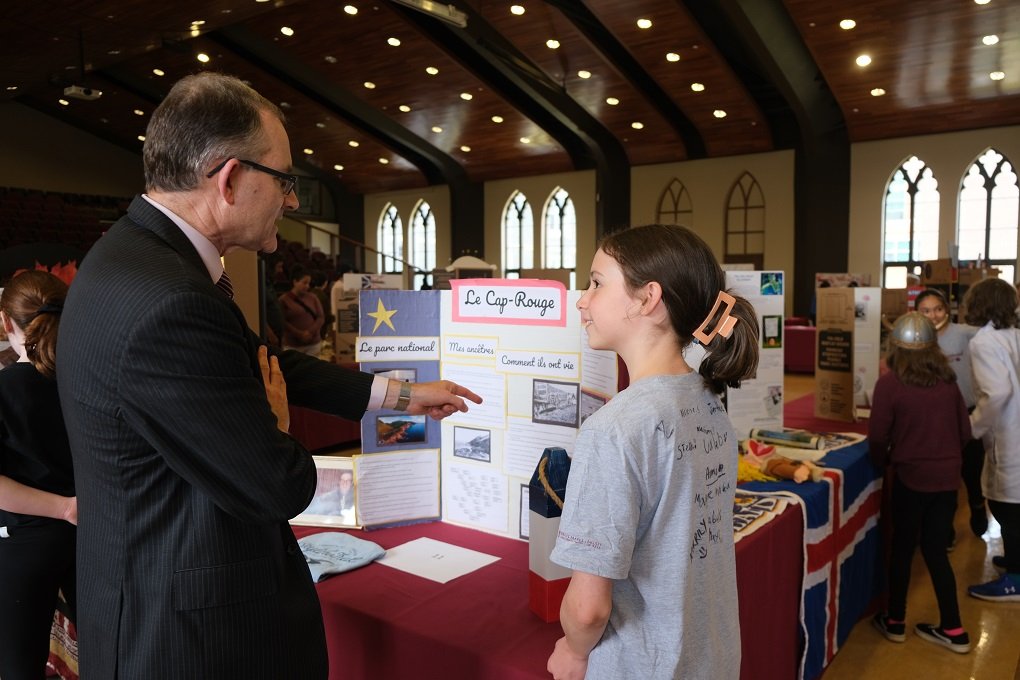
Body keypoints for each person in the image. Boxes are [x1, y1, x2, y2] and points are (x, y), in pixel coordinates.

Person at [56, 71, 481, 680]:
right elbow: (275, 485)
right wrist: (276, 424)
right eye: (284, 181)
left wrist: (403, 393)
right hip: (191, 632)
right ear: (229, 179)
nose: (290, 201)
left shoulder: (134, 257)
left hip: (141, 586)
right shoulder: (170, 301)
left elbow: (261, 363)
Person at [546, 224, 759, 680]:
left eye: (597, 283)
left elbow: (587, 609)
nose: (582, 300)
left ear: (647, 299)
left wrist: (571, 650)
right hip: (712, 658)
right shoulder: (708, 399)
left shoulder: (614, 429)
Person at [868, 312, 972, 653]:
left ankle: (895, 621)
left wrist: (882, 462)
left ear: (895, 348)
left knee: (902, 549)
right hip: (947, 479)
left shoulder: (891, 383)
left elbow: (877, 436)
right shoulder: (948, 381)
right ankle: (954, 628)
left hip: (911, 478)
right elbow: (964, 434)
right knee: (935, 551)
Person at [0, 270, 78, 680]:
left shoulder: (5, 387)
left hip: (26, 541)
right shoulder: (87, 380)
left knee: (17, 669)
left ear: (6, 322)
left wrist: (65, 508)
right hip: (95, 537)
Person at [962, 277, 1020, 602]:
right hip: (1015, 429)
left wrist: (972, 426)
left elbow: (998, 391)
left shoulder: (983, 342)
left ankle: (1015, 578)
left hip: (1009, 435)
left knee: (1006, 506)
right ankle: (1014, 562)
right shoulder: (1014, 334)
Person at [915, 288, 986, 537]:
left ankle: (978, 506)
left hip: (968, 413)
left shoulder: (965, 333)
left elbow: (997, 334)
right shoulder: (916, 338)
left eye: (938, 309)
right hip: (935, 418)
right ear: (917, 313)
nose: (933, 315)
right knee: (946, 477)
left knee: (972, 469)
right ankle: (946, 529)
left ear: (947, 310)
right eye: (926, 310)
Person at [279, 264, 325, 355]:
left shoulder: (313, 297)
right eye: (304, 283)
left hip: (313, 343)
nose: (307, 286)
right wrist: (300, 334)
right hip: (293, 345)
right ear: (295, 282)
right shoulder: (283, 299)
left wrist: (309, 332)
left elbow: (320, 317)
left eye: (308, 283)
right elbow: (282, 321)